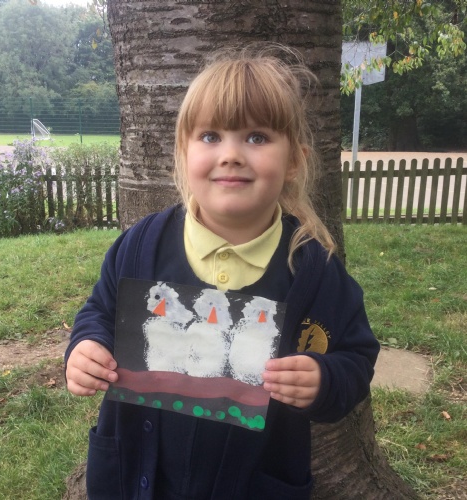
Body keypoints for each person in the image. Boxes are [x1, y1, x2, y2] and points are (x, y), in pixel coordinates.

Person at [65, 43, 380, 499]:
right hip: (137, 480)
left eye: (257, 137)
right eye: (211, 136)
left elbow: (356, 357)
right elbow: (99, 311)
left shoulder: (314, 272)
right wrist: (86, 347)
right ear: (183, 152)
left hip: (255, 484)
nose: (231, 154)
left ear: (294, 160)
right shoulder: (139, 246)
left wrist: (324, 380)